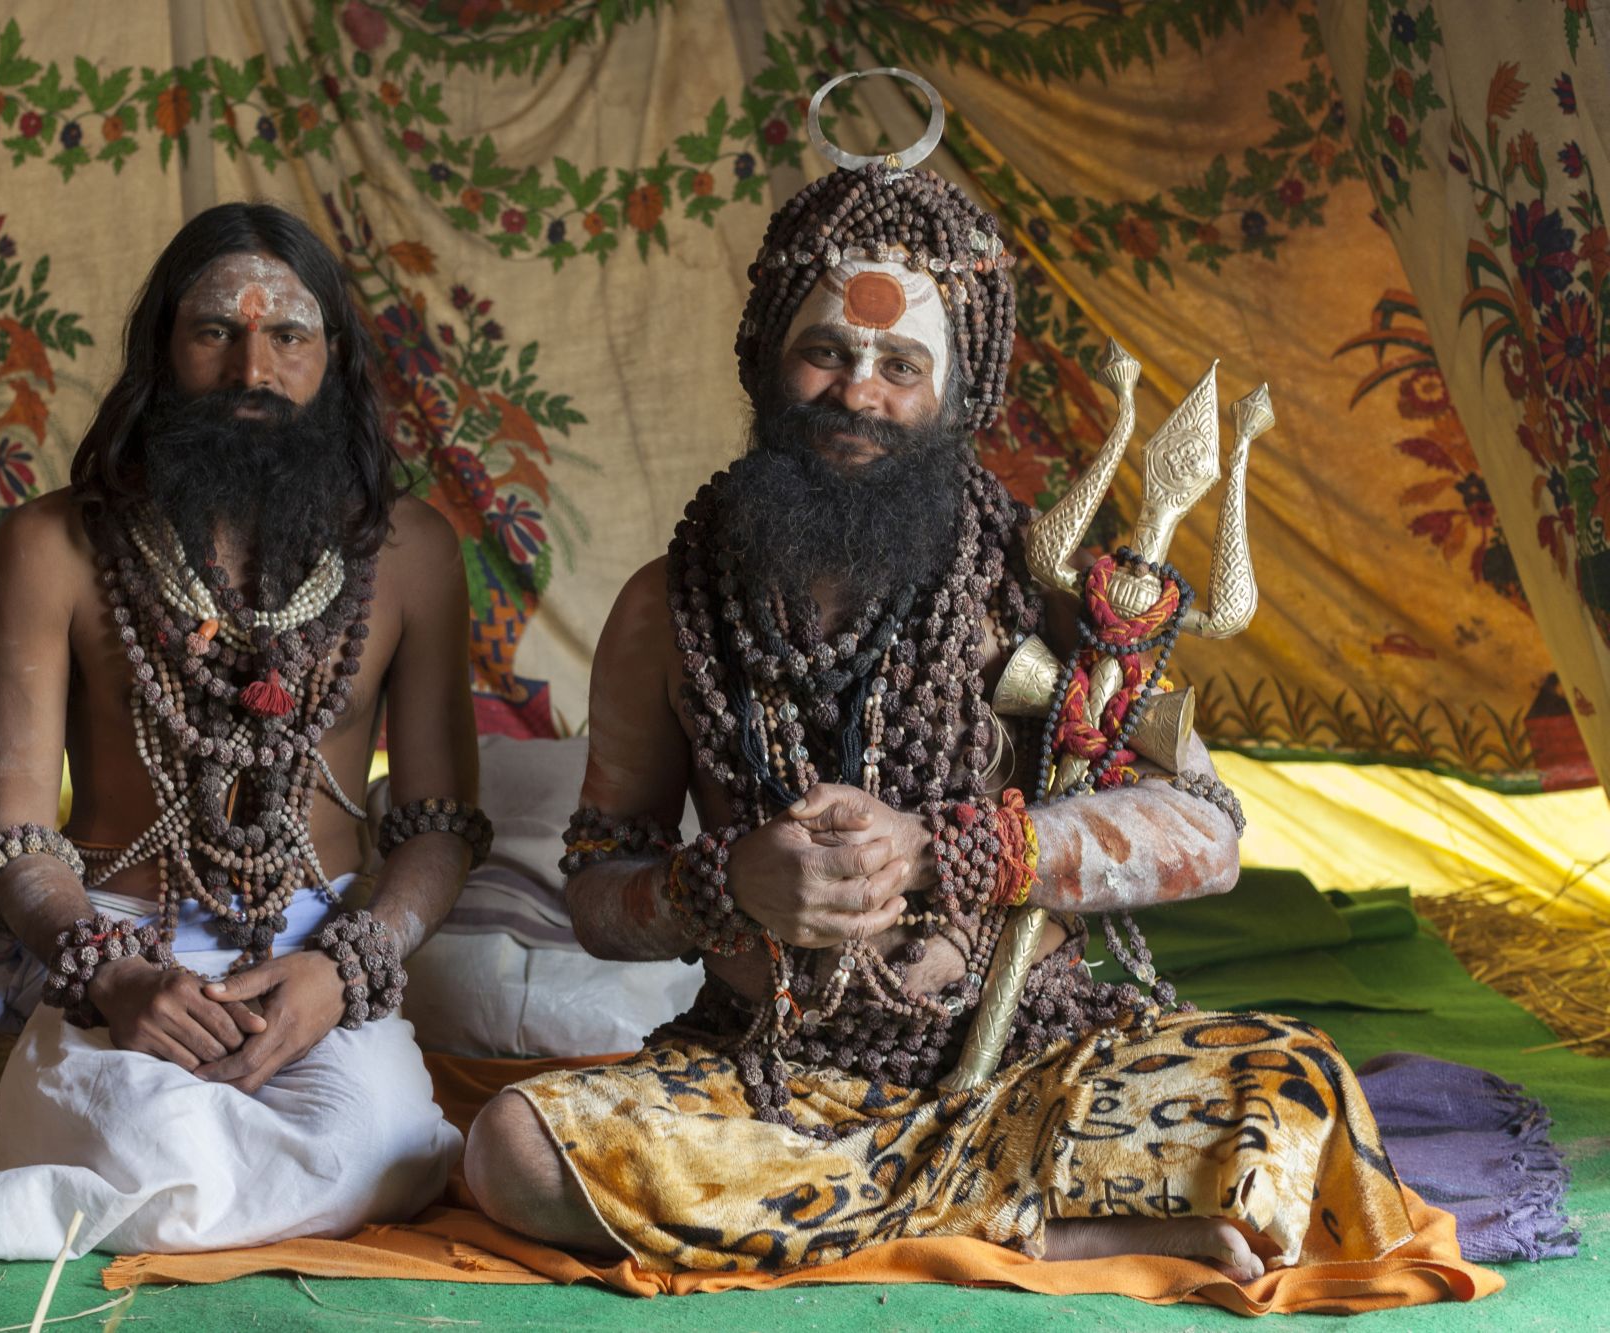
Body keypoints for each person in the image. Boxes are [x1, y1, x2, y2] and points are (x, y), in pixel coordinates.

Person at [461, 166, 1413, 1281]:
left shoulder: (1050, 586)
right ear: (766, 360)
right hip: (765, 1075)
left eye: (899, 364)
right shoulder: (665, 607)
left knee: (1286, 1087)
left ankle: (884, 1212)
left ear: (959, 391)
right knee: (511, 1152)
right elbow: (596, 891)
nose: (856, 392)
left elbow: (1204, 828)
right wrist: (728, 882)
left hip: (1027, 1055)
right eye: (825, 351)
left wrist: (945, 850)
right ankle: (1010, 1223)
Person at [0, 202, 484, 1261]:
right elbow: (13, 839)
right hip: (112, 939)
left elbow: (437, 824)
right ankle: (115, 1158)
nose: (253, 367)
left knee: (374, 1146)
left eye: (287, 334)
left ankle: (106, 1195)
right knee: (145, 1143)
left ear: (331, 361)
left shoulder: (413, 553)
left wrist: (346, 966)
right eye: (215, 331)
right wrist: (109, 973)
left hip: (317, 950)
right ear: (161, 351)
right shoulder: (53, 543)